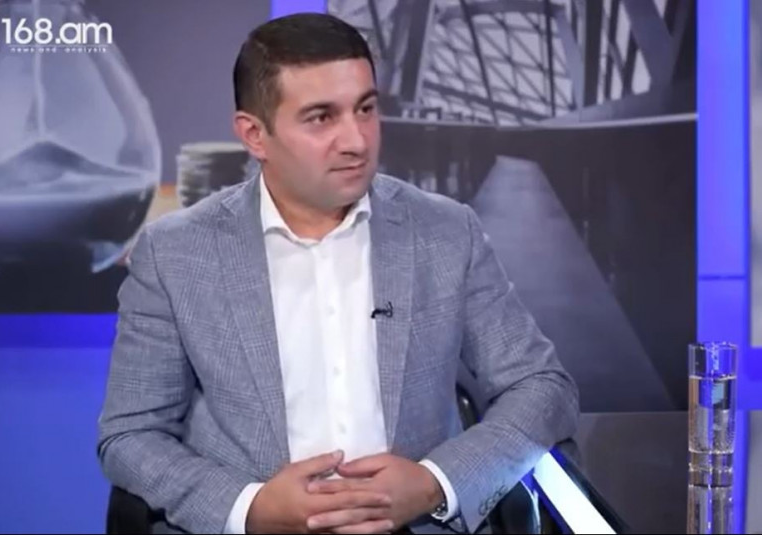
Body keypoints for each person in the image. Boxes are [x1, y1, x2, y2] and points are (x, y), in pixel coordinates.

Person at [97, 12, 579, 535]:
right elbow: (130, 436)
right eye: (321, 117)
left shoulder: (445, 232)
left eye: (365, 109)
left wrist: (434, 483)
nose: (356, 140)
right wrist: (251, 509)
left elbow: (542, 387)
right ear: (255, 135)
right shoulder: (176, 253)